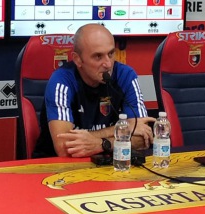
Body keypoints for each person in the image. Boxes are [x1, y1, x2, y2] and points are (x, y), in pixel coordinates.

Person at [34, 23, 154, 159]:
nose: (108, 64)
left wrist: (101, 144)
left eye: (111, 53)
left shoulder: (125, 75)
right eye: (98, 57)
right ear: (78, 60)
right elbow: (65, 148)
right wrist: (121, 129)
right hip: (61, 166)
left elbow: (143, 138)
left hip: (110, 163)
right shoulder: (61, 81)